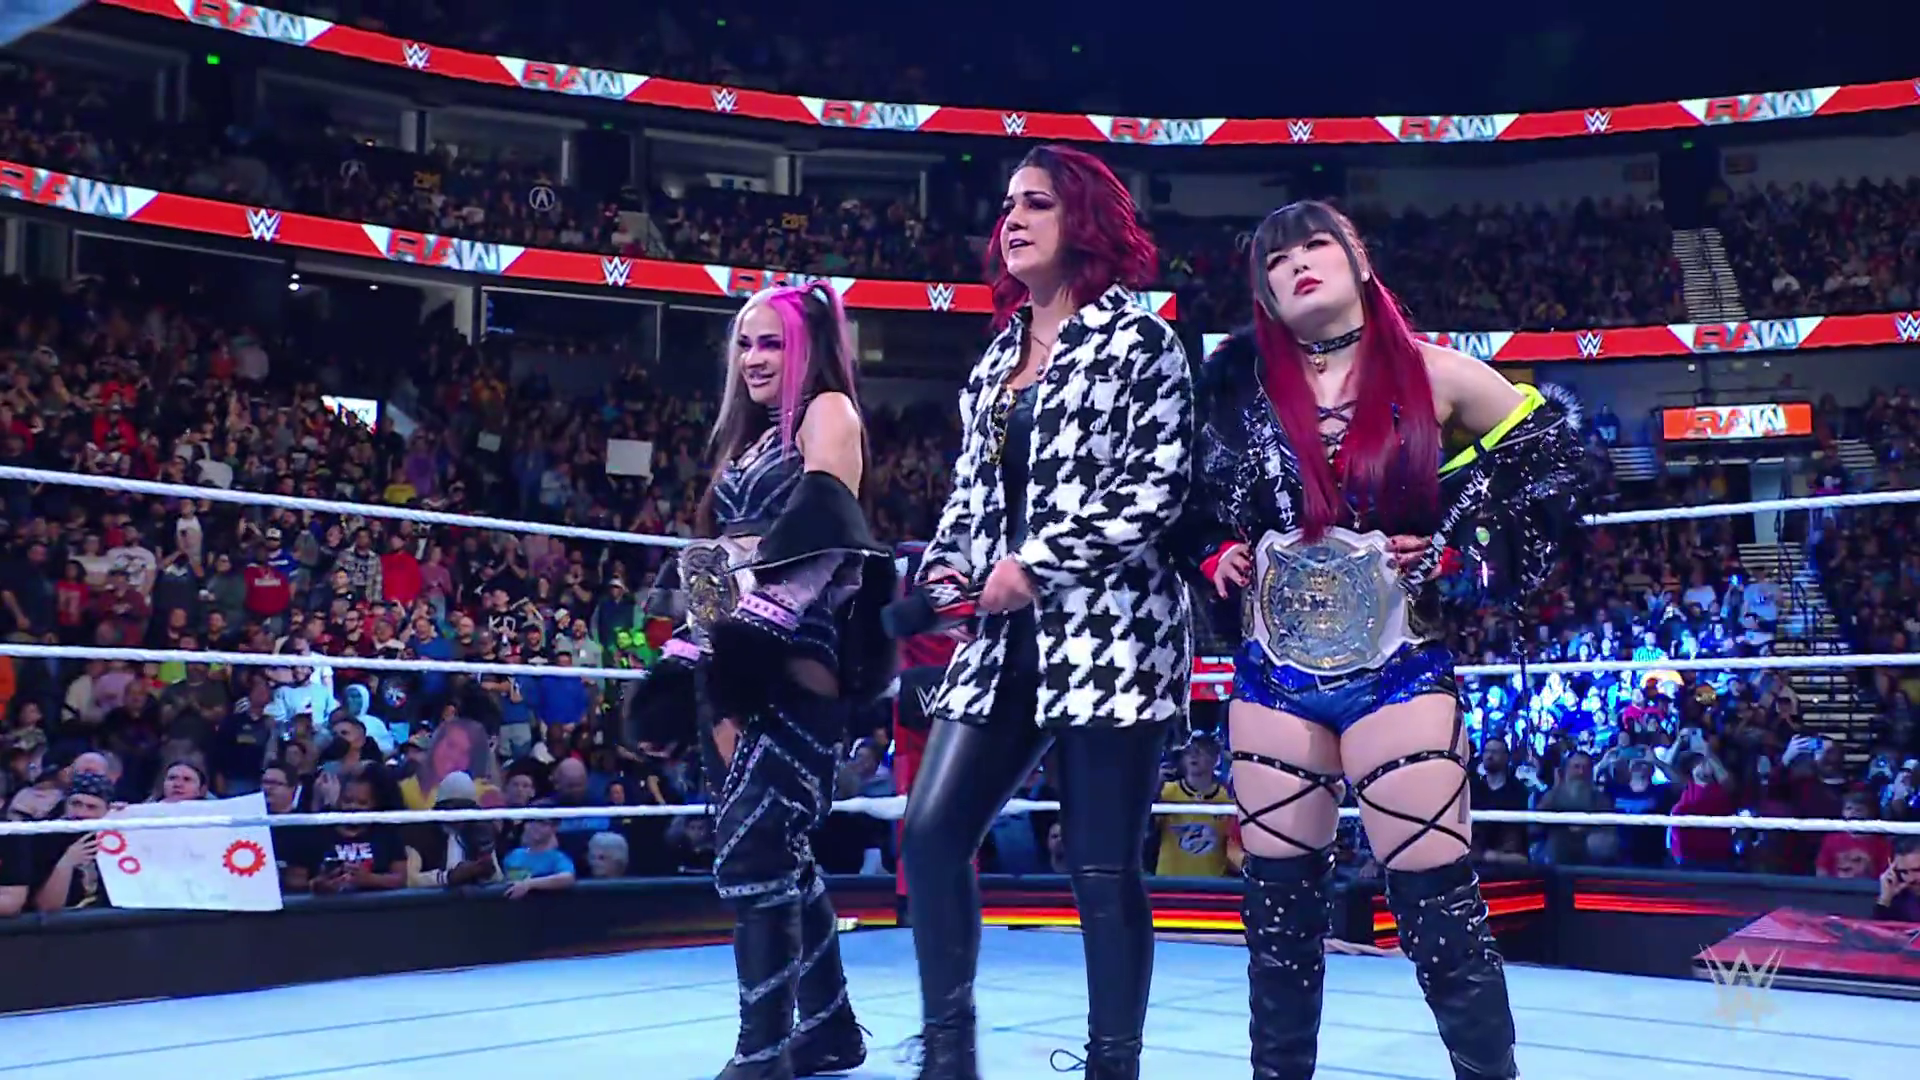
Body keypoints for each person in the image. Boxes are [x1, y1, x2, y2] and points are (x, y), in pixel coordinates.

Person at [1174, 200, 1593, 1079]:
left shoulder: (1435, 373)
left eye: (1315, 245)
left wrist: (1461, 540)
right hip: (1272, 672)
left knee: (1439, 912)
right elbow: (1183, 501)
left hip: (1397, 668)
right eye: (1276, 259)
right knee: (1278, 924)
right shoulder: (1231, 391)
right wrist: (1213, 553)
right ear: (1262, 291)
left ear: (1360, 260)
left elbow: (1556, 460)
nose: (1297, 264)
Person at [900, 144, 1193, 1080]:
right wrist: (946, 571)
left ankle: (1113, 1065)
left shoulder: (1140, 341)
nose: (1013, 220)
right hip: (1001, 642)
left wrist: (1035, 563)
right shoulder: (997, 358)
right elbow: (969, 499)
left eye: (1036, 203)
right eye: (1007, 206)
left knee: (1101, 869)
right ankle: (949, 1051)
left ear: (1085, 221)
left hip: (1112, 632)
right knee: (930, 834)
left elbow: (1157, 487)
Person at [630, 281, 896, 1080]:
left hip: (795, 651)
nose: (752, 358)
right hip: (733, 652)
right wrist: (689, 651)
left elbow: (828, 534)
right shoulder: (746, 443)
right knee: (771, 849)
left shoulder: (829, 411)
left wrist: (756, 628)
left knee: (757, 853)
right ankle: (830, 1028)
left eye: (771, 342)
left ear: (807, 348)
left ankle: (764, 1053)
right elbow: (720, 560)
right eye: (744, 343)